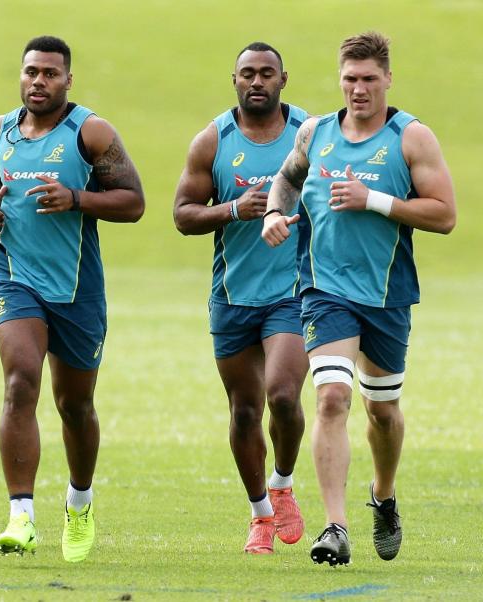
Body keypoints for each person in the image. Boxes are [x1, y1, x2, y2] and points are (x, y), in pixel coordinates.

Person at [261, 31, 456, 566]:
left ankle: (384, 496)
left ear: (388, 79)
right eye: (350, 79)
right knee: (330, 399)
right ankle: (335, 527)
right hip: (325, 292)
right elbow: (286, 181)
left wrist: (376, 200)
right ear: (339, 79)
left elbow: (444, 214)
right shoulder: (314, 132)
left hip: (388, 295)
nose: (359, 89)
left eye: (369, 79)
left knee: (383, 412)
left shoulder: (411, 138)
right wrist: (276, 214)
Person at [0, 35, 145, 562]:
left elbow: (134, 202)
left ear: (68, 80)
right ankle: (20, 516)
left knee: (75, 405)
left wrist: (76, 198)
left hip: (76, 289)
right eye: (30, 72)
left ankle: (79, 501)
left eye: (50, 73)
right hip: (14, 278)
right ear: (20, 75)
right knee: (21, 380)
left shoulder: (89, 132)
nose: (38, 81)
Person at [173, 42, 308, 555]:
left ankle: (283, 483)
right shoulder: (213, 140)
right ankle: (259, 514)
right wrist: (232, 209)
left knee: (282, 395)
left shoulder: (311, 135)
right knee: (245, 410)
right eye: (247, 73)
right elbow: (183, 215)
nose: (257, 81)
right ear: (234, 80)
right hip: (232, 296)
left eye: (266, 73)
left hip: (294, 293)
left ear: (283, 79)